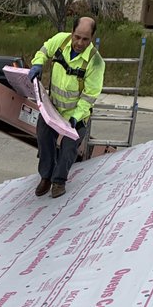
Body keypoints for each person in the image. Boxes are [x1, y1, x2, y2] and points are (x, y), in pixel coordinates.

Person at [27, 15, 105, 200]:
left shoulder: (95, 62)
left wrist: (75, 117)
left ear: (91, 38)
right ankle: (46, 176)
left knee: (69, 148)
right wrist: (38, 63)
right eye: (77, 36)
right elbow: (44, 50)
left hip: (76, 114)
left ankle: (59, 181)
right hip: (53, 108)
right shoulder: (61, 40)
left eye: (85, 39)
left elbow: (89, 96)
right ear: (72, 32)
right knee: (44, 137)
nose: (79, 42)